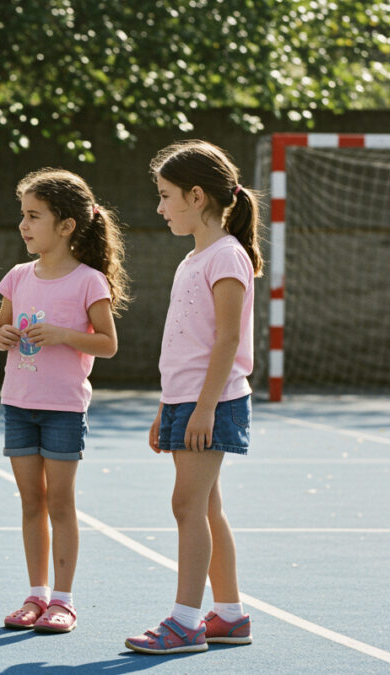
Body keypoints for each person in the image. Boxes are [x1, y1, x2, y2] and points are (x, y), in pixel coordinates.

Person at [125, 140, 260, 654]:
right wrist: (168, 406)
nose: (159, 208)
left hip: (214, 401)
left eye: (165, 196)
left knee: (186, 505)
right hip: (188, 400)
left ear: (197, 196)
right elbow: (186, 341)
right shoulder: (195, 258)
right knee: (206, 507)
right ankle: (229, 614)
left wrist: (203, 408)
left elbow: (228, 339)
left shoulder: (227, 256)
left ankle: (184, 624)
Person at [0, 169, 129, 634]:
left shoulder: (89, 282)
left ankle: (64, 600)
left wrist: (62, 336)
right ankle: (36, 594)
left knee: (60, 504)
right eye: (22, 215)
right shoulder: (15, 277)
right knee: (31, 502)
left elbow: (108, 344)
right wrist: (2, 335)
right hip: (18, 404)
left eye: (34, 216)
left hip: (64, 408)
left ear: (67, 225)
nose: (23, 225)